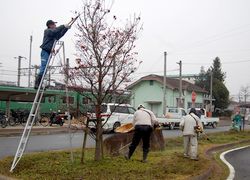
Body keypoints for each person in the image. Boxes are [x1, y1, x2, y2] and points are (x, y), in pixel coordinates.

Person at [34, 20, 71, 89]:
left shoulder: (52, 34)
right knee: (43, 68)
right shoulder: (48, 31)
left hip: (48, 52)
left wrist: (66, 29)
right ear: (50, 25)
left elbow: (59, 35)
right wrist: (63, 26)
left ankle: (39, 84)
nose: (55, 26)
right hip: (45, 51)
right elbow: (55, 31)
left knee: (45, 69)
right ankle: (37, 84)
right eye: (54, 24)